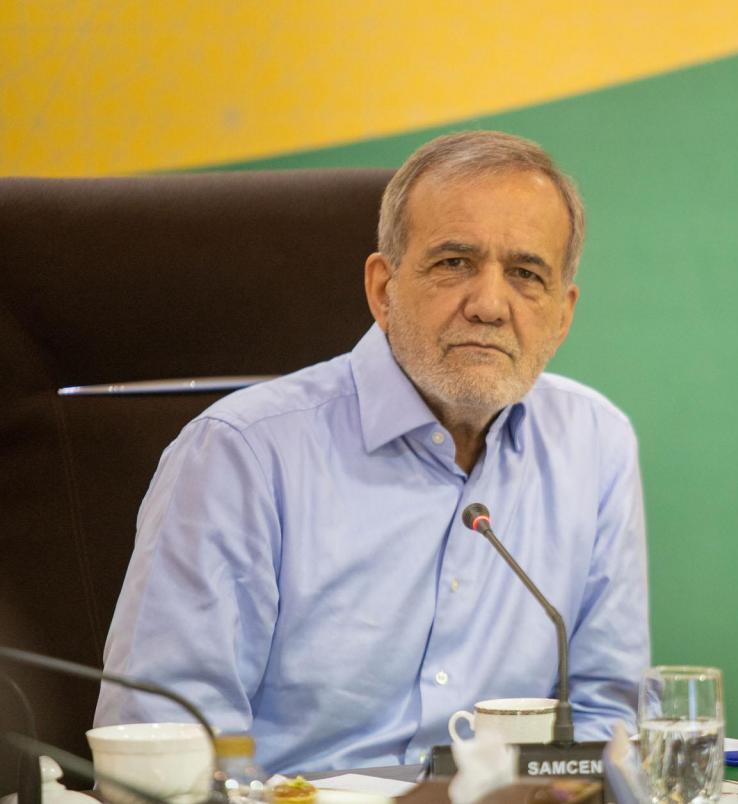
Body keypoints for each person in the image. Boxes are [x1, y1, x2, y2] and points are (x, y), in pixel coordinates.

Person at [95, 131, 650, 774]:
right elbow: (170, 743)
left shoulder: (595, 445)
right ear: (383, 289)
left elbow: (606, 717)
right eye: (455, 263)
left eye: (526, 275)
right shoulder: (241, 454)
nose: (489, 306)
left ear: (562, 315)